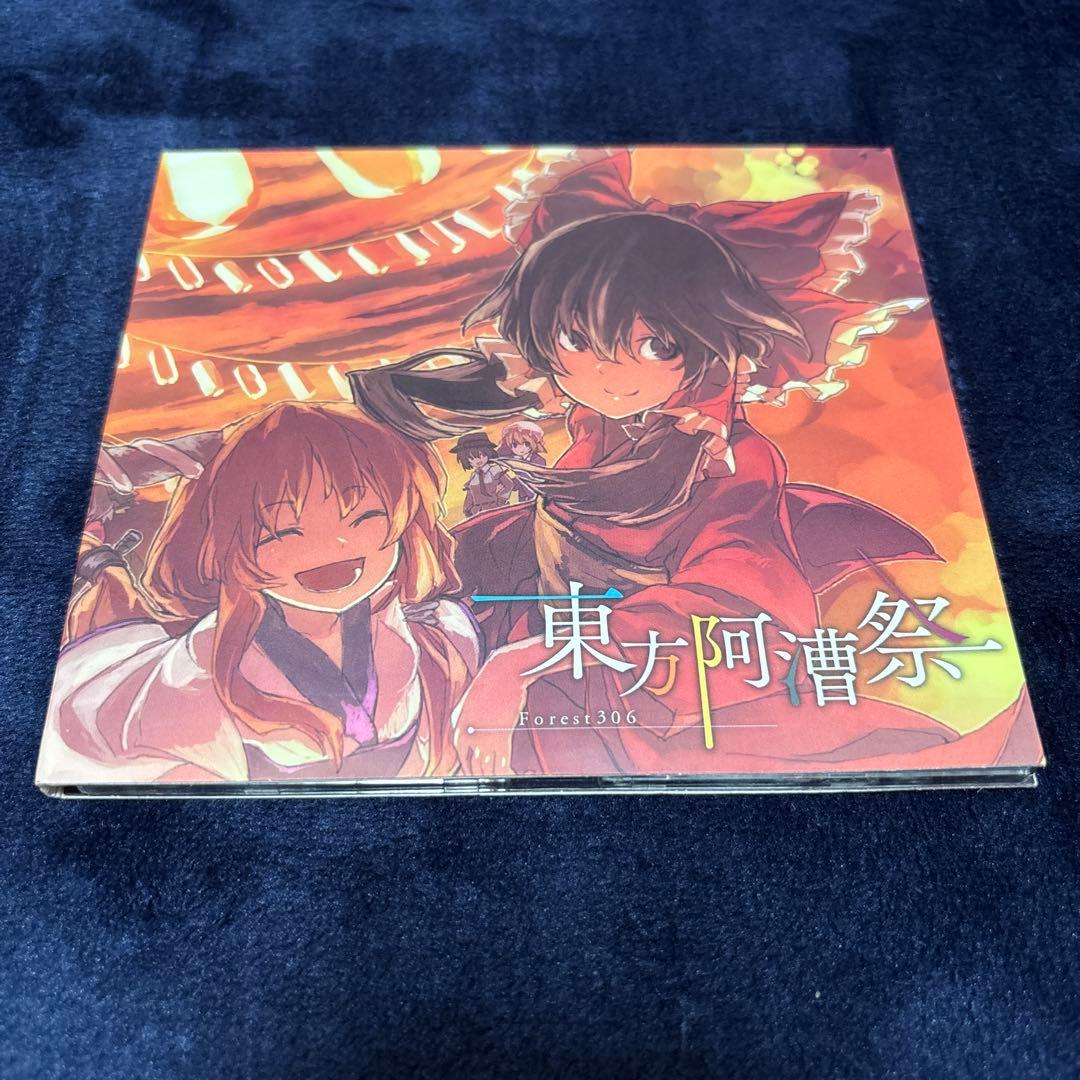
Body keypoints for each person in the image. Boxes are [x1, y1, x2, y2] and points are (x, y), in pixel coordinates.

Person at [348, 149, 1039, 778]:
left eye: (656, 346)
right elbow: (551, 527)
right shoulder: (597, 423)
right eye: (575, 340)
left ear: (710, 345)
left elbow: (736, 599)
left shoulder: (726, 459)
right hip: (556, 644)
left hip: (653, 686)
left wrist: (527, 660)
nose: (608, 372)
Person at [38, 402, 481, 785]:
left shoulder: (440, 641)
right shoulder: (193, 673)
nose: (336, 547)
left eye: (364, 517)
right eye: (283, 531)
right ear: (225, 544)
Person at [451, 431, 515, 517]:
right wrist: (468, 510)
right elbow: (470, 496)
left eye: (480, 455)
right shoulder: (474, 477)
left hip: (497, 509)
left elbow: (509, 485)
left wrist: (501, 500)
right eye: (471, 458)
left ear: (487, 452)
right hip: (478, 513)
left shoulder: (495, 470)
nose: (477, 460)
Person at [497, 420, 547, 502]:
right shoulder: (513, 460)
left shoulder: (538, 460)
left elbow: (528, 478)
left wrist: (510, 482)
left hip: (537, 496)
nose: (520, 448)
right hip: (522, 496)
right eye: (515, 445)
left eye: (526, 444)